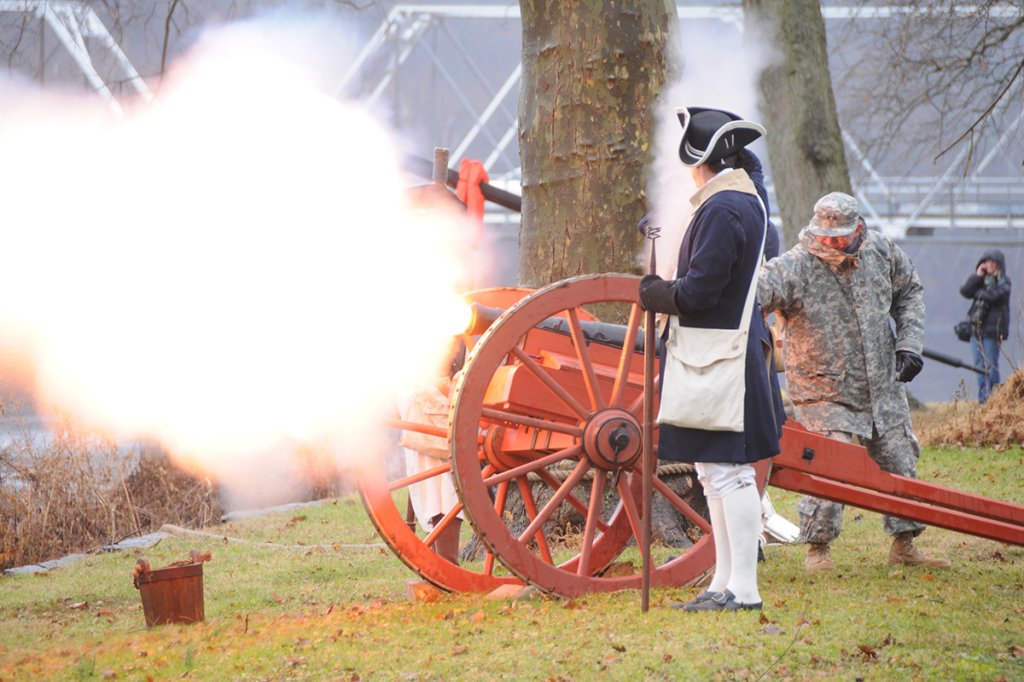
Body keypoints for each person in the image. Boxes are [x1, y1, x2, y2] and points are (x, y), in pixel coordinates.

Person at [639, 106, 786, 612]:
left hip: (720, 353)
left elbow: (702, 289)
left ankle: (744, 589)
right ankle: (724, 581)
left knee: (731, 474)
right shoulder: (737, 202)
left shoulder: (725, 208)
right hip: (718, 352)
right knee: (712, 472)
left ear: (701, 160)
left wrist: (657, 293)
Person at [758, 191, 950, 571]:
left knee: (900, 457)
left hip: (882, 383)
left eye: (839, 237)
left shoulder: (881, 252)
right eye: (824, 235)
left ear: (858, 229)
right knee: (831, 463)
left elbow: (909, 290)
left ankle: (904, 545)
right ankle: (818, 550)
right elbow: (754, 296)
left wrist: (909, 344)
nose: (829, 242)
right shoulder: (795, 266)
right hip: (822, 389)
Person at [959, 250, 1011, 403]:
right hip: (976, 330)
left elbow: (995, 296)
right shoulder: (980, 282)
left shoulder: (1004, 282)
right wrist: (978, 276)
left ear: (999, 265)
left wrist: (979, 292)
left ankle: (995, 399)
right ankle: (983, 400)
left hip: (992, 331)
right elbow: (965, 291)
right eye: (987, 262)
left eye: (993, 263)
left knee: (991, 366)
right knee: (978, 366)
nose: (990, 265)